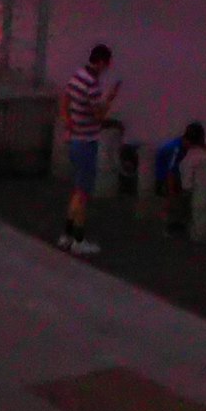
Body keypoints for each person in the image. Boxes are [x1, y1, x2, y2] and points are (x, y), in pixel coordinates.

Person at [56, 42, 123, 254]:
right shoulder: (93, 85)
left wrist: (69, 121)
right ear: (101, 62)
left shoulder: (77, 76)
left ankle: (66, 236)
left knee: (77, 189)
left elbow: (65, 99)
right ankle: (78, 239)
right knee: (83, 193)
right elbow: (99, 116)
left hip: (76, 139)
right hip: (87, 142)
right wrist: (110, 98)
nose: (108, 68)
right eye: (108, 63)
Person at [149, 119, 206, 228]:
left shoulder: (190, 146)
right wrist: (172, 195)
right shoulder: (175, 149)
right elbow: (170, 173)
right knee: (181, 196)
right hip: (163, 178)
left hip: (178, 174)